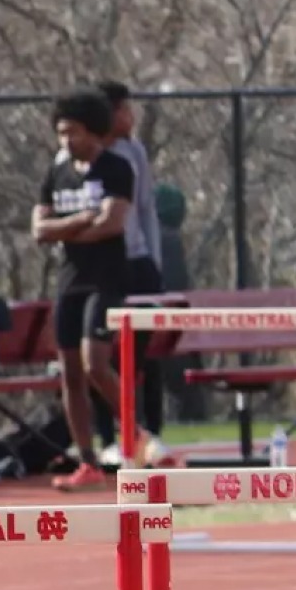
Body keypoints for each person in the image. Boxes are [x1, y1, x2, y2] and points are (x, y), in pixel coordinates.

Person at [31, 90, 153, 491]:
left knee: (95, 364)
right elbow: (39, 230)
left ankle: (136, 435)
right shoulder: (57, 172)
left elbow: (113, 225)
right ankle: (87, 462)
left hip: (107, 278)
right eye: (61, 133)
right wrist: (82, 220)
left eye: (75, 132)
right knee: (69, 372)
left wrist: (66, 229)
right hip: (70, 278)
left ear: (95, 133)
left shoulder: (117, 168)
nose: (67, 141)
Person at [96, 81, 176, 465]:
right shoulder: (85, 155)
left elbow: (145, 209)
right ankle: (108, 437)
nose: (132, 117)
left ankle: (150, 433)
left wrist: (153, 262)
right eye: (125, 110)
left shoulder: (134, 151)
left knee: (145, 355)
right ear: (108, 115)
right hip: (100, 268)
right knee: (98, 355)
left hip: (139, 264)